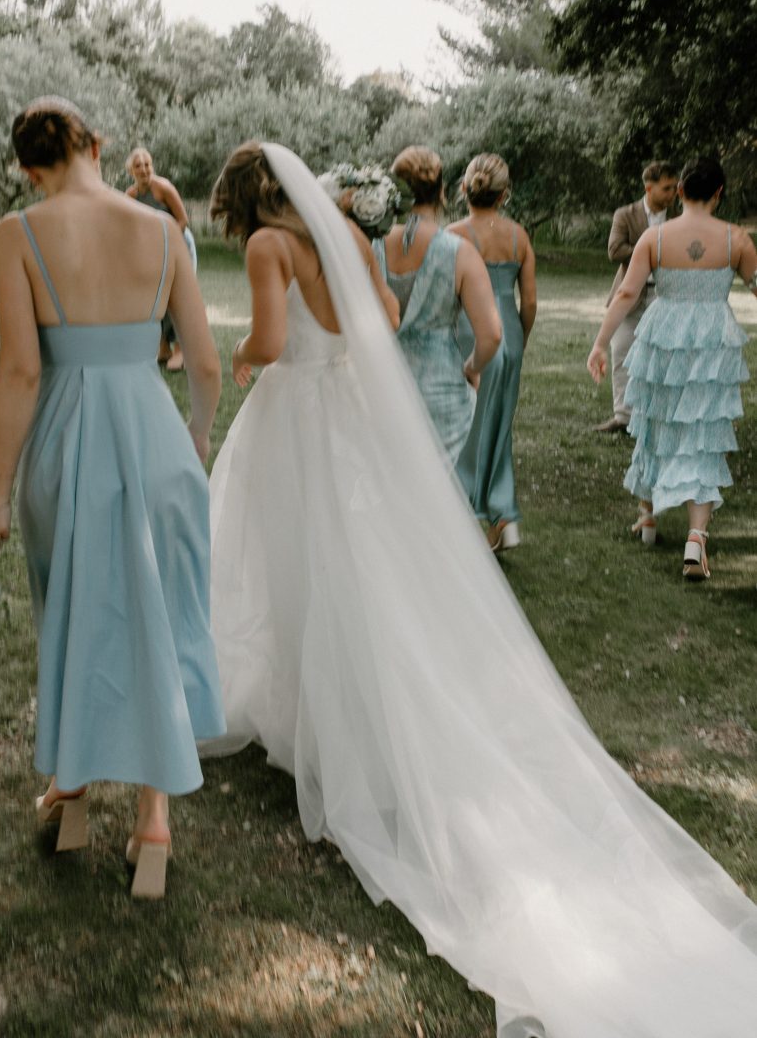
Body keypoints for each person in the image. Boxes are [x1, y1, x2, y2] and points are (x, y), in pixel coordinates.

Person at [204, 141, 757, 1038]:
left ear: (242, 201)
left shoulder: (270, 247)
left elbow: (270, 340)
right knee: (358, 568)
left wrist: (244, 356)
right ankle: (337, 710)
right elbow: (380, 315)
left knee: (292, 565)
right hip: (348, 409)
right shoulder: (346, 229)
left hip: (299, 413)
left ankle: (326, 721)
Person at [0, 98, 226, 898]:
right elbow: (206, 360)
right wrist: (198, 436)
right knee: (161, 614)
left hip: (69, 442)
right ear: (96, 144)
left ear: (27, 166)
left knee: (77, 610)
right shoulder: (161, 228)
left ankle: (72, 789)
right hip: (154, 437)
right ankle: (154, 821)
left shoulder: (20, 232)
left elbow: (20, 371)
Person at [588, 155, 755, 579]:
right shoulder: (737, 238)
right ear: (719, 194)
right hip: (712, 341)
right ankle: (696, 539)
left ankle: (647, 516)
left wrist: (601, 342)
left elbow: (626, 294)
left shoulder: (655, 238)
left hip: (662, 333)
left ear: (679, 191)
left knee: (654, 420)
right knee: (700, 433)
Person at [371, 146, 501, 461]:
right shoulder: (459, 252)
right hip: (439, 393)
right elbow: (492, 336)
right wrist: (472, 368)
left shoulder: (370, 246)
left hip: (379, 387)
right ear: (442, 190)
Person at [449, 154, 536, 549]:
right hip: (509, 330)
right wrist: (519, 336)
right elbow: (529, 301)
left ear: (464, 189)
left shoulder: (452, 234)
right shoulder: (519, 236)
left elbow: (445, 291)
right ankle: (502, 513)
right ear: (505, 195)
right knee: (499, 424)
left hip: (470, 330)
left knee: (468, 425)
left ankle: (471, 514)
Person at [595, 160, 678, 437]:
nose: (673, 193)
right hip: (631, 291)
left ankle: (659, 416)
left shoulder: (679, 214)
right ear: (649, 188)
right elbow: (614, 250)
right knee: (621, 351)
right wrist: (650, 249)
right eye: (667, 188)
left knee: (662, 355)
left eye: (675, 187)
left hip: (665, 294)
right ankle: (623, 416)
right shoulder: (626, 214)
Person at [126, 147, 197, 372]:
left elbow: (183, 220)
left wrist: (167, 247)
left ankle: (181, 351)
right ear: (131, 171)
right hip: (154, 252)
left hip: (179, 245)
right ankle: (163, 348)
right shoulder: (130, 196)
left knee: (177, 298)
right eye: (138, 165)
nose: (144, 169)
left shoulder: (163, 188)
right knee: (157, 299)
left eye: (147, 164)